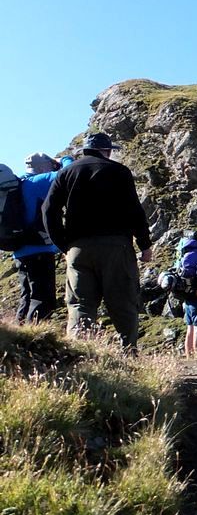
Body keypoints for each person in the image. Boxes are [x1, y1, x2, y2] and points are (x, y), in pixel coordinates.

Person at [42, 132, 153, 352]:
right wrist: (144, 244)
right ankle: (128, 353)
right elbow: (134, 210)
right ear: (107, 150)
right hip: (116, 247)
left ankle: (80, 355)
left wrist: (64, 245)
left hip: (79, 248)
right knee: (122, 301)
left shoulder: (65, 173)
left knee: (80, 304)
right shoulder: (119, 171)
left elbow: (48, 210)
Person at [13, 153, 62, 323]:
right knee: (43, 297)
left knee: (27, 296)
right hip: (39, 248)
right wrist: (64, 160)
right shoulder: (40, 180)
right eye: (50, 164)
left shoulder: (19, 183)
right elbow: (69, 173)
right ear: (42, 167)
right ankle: (35, 337)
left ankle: (19, 336)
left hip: (19, 249)